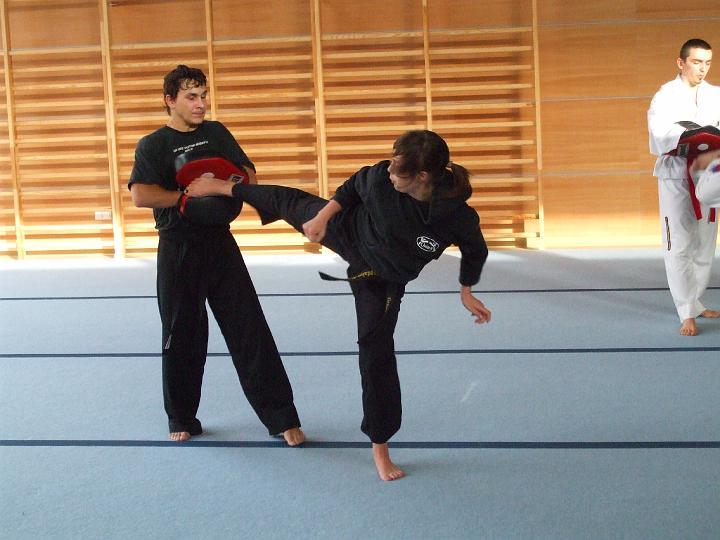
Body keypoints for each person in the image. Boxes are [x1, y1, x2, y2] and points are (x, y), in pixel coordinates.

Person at [185, 129, 492, 480]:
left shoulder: (455, 216)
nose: (389, 172)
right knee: (288, 200)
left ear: (422, 176)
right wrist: (321, 218)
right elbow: (351, 188)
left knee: (375, 352)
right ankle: (223, 187)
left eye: (398, 170)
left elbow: (475, 250)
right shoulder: (381, 177)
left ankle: (380, 446)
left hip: (380, 279)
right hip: (349, 229)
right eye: (391, 163)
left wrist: (466, 290)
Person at [128, 65, 304, 445]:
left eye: (203, 95)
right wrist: (186, 197)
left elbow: (248, 175)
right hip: (178, 247)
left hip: (220, 243)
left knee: (250, 328)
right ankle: (182, 417)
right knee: (182, 334)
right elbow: (141, 194)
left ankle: (281, 417)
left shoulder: (216, 133)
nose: (200, 103)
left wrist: (220, 187)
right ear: (170, 100)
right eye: (191, 96)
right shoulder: (153, 144)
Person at [647, 39, 720, 336]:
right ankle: (686, 311)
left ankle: (696, 300)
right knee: (678, 243)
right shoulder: (665, 96)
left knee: (705, 241)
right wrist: (693, 136)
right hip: (676, 175)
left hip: (709, 172)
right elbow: (659, 135)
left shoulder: (716, 95)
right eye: (696, 62)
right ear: (681, 62)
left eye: (707, 63)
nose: (702, 68)